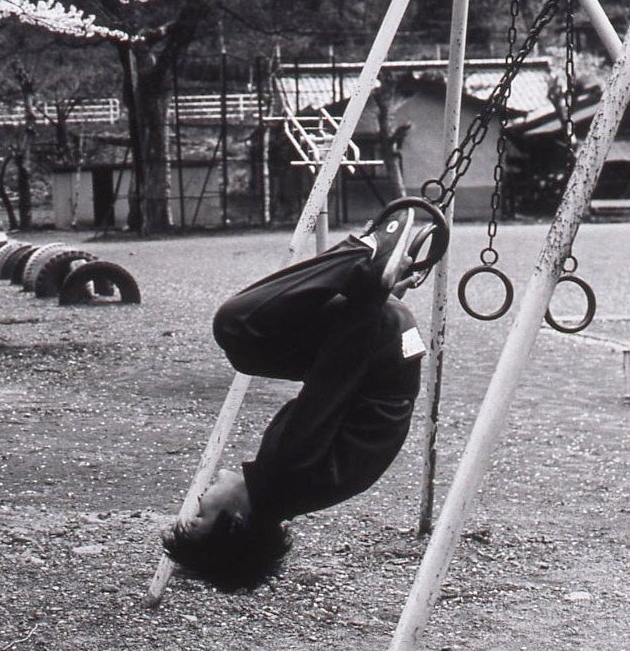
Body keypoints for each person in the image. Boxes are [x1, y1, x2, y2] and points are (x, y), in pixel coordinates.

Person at [160, 207, 435, 590]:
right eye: (201, 514)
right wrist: (370, 297)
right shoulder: (286, 471)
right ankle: (366, 254)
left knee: (247, 353)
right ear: (235, 519)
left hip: (391, 353)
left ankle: (371, 268)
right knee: (236, 324)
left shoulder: (290, 492)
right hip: (381, 343)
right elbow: (335, 377)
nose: (200, 497)